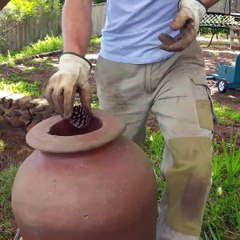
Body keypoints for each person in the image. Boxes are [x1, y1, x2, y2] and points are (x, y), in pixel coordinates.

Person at [45, 0, 219, 239]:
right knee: (115, 171)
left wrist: (196, 4)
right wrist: (72, 59)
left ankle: (176, 234)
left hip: (179, 60)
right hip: (119, 68)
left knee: (194, 161)